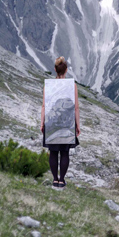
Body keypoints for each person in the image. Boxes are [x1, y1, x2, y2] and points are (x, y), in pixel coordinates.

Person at [41, 56, 80, 188]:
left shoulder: (49, 85)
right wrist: (77, 125)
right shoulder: (72, 85)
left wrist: (42, 123)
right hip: (67, 123)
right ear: (66, 70)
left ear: (55, 69)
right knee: (64, 152)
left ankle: (54, 179)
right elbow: (76, 107)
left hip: (51, 122)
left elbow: (44, 106)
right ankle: (62, 180)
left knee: (53, 152)